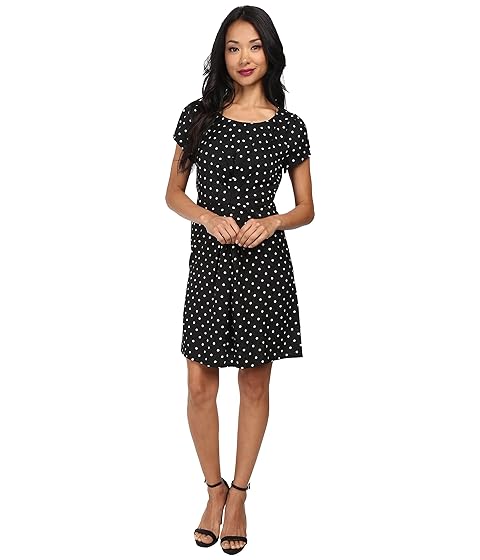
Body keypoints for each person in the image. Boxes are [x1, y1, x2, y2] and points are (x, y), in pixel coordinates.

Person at [165, 5, 314, 554]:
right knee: (199, 385)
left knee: (253, 385)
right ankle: (213, 491)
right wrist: (206, 217)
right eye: (233, 47)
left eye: (254, 46)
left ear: (270, 53)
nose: (244, 58)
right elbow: (173, 193)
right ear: (221, 55)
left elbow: (307, 207)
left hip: (264, 268)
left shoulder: (289, 126)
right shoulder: (197, 116)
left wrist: (273, 222)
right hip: (209, 264)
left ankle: (241, 495)